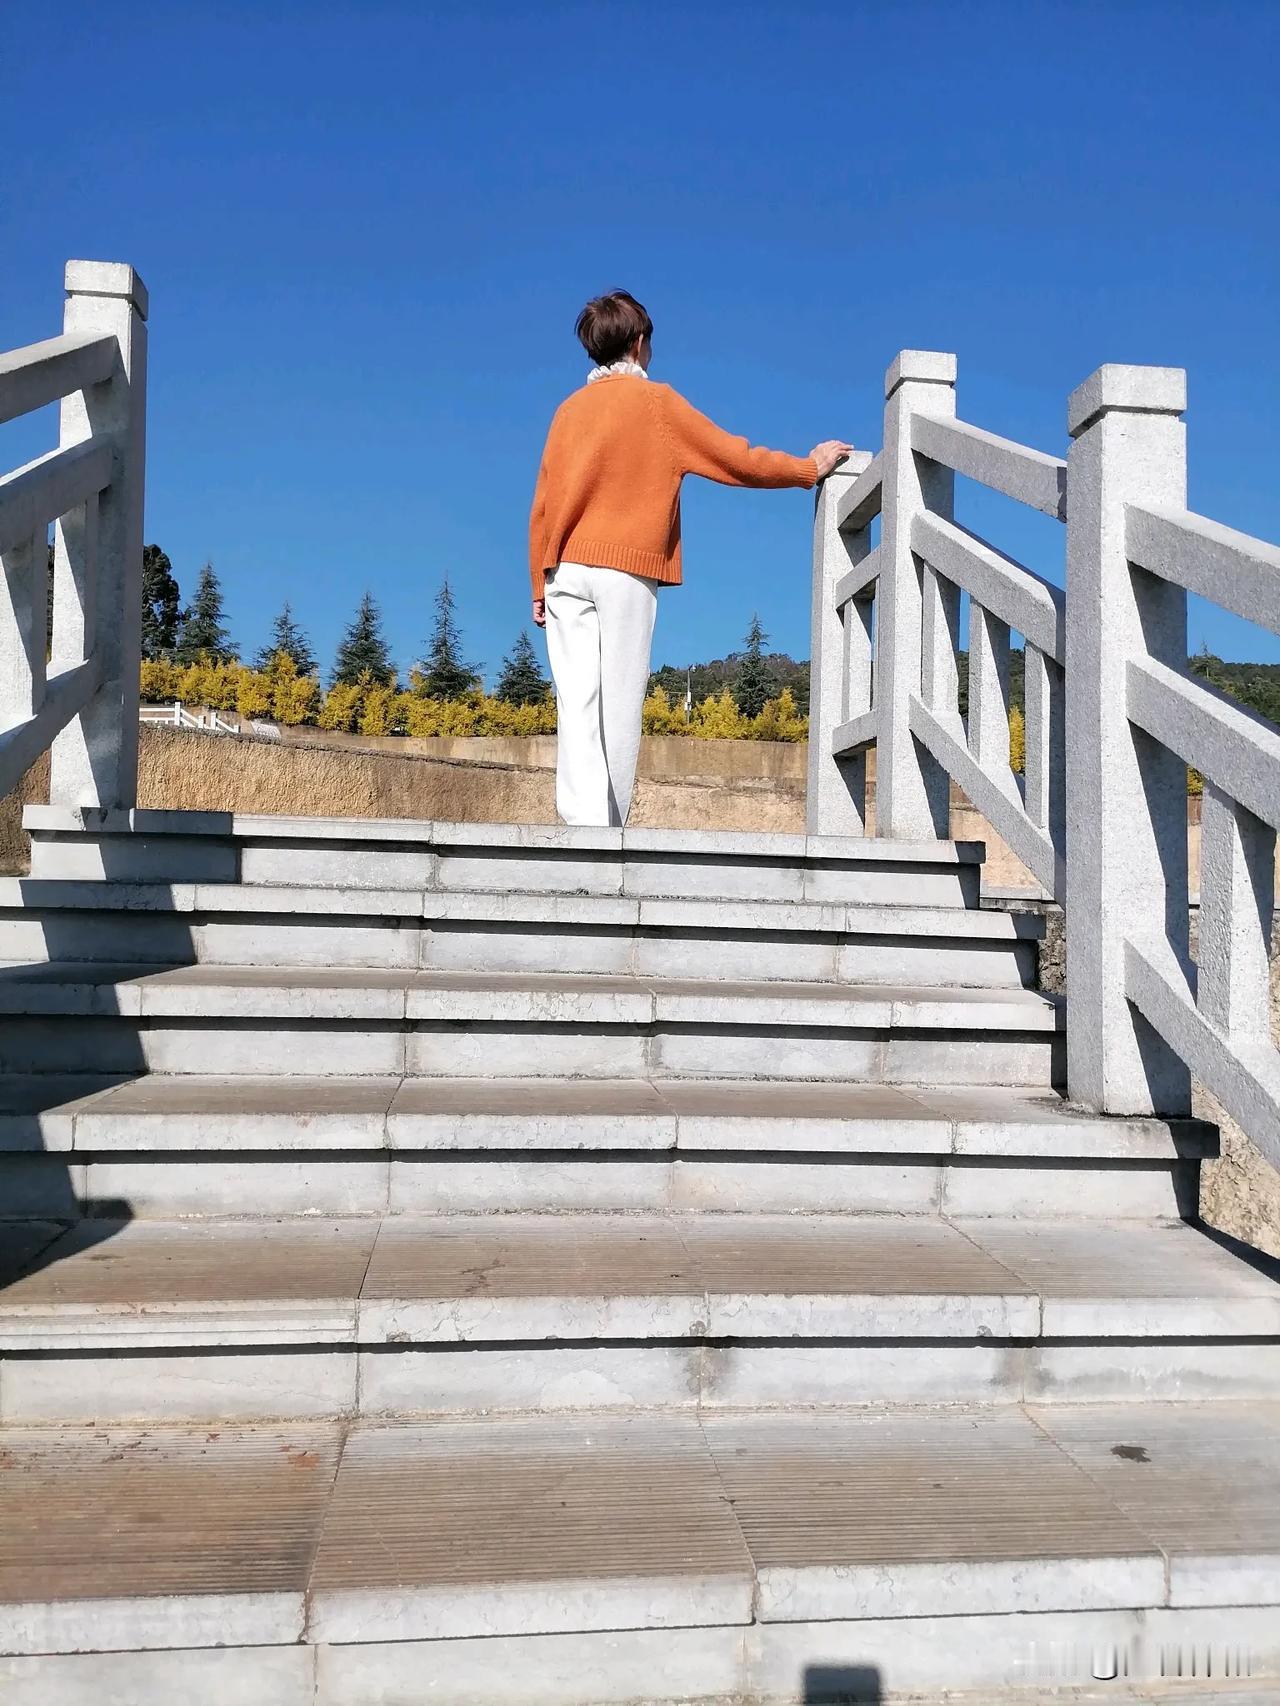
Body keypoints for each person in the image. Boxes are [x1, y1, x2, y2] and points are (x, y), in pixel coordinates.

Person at [528, 289, 852, 827]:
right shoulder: (658, 404)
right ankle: (608, 834)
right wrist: (806, 468)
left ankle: (580, 828)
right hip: (627, 571)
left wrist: (538, 582)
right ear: (640, 344)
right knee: (619, 705)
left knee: (576, 705)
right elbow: (736, 458)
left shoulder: (567, 412)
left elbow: (543, 503)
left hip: (564, 570)